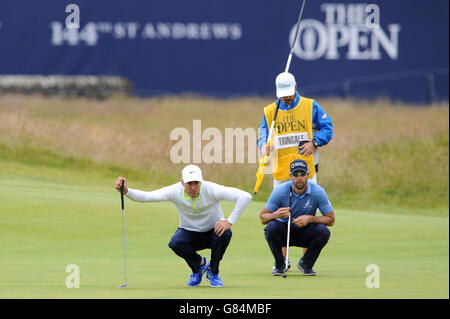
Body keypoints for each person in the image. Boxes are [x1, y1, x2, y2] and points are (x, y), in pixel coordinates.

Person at [114, 164, 252, 288]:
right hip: (190, 232)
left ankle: (214, 272)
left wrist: (228, 221)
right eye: (189, 183)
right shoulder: (175, 191)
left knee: (225, 233)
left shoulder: (212, 189)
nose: (193, 187)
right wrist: (126, 191)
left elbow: (245, 196)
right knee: (175, 243)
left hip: (213, 232)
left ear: (201, 182)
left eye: (196, 183)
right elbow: (146, 197)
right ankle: (200, 266)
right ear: (182, 183)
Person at [257, 71, 334, 267]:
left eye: (289, 92)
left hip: (305, 171)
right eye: (282, 93)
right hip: (282, 171)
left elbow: (327, 127)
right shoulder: (270, 111)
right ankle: (282, 261)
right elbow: (262, 134)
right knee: (282, 215)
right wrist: (263, 146)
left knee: (307, 215)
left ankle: (306, 261)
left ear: (296, 86)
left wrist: (315, 142)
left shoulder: (310, 106)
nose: (286, 97)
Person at [259, 159, 335, 276]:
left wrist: (310, 218)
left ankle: (306, 264)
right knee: (271, 228)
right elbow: (263, 217)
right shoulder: (280, 191)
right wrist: (276, 215)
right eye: (295, 174)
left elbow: (331, 219)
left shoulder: (318, 192)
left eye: (302, 174)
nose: (299, 178)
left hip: (306, 232)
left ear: (308, 175)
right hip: (285, 231)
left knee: (323, 232)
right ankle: (280, 264)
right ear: (290, 176)